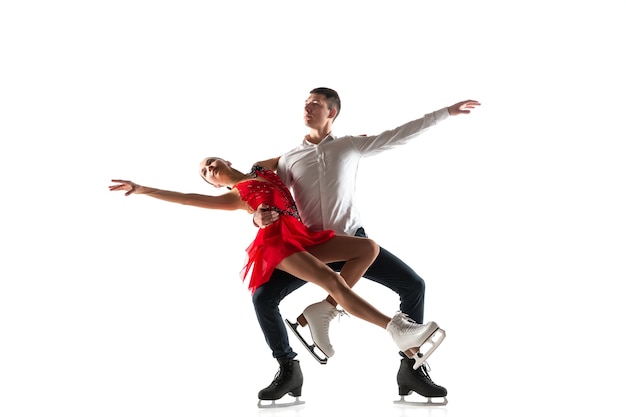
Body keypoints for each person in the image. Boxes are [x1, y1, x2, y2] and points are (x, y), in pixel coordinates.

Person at [109, 157, 445, 406]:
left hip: (306, 237)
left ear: (226, 160)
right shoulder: (236, 194)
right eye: (204, 172)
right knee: (327, 281)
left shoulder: (264, 168)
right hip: (278, 244)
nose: (209, 167)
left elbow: (301, 153)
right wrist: (142, 189)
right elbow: (188, 198)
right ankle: (395, 328)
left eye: (211, 162)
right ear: (214, 184)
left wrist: (347, 143)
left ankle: (323, 312)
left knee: (368, 248)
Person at [251, 87, 480, 404]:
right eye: (305, 103)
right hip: (312, 249)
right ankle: (288, 369)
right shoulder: (288, 159)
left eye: (315, 104)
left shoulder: (349, 146)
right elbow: (268, 197)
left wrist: (445, 113)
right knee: (263, 297)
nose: (307, 108)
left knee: (414, 285)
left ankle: (411, 369)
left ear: (332, 112)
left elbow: (398, 134)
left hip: (352, 243)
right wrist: (258, 217)